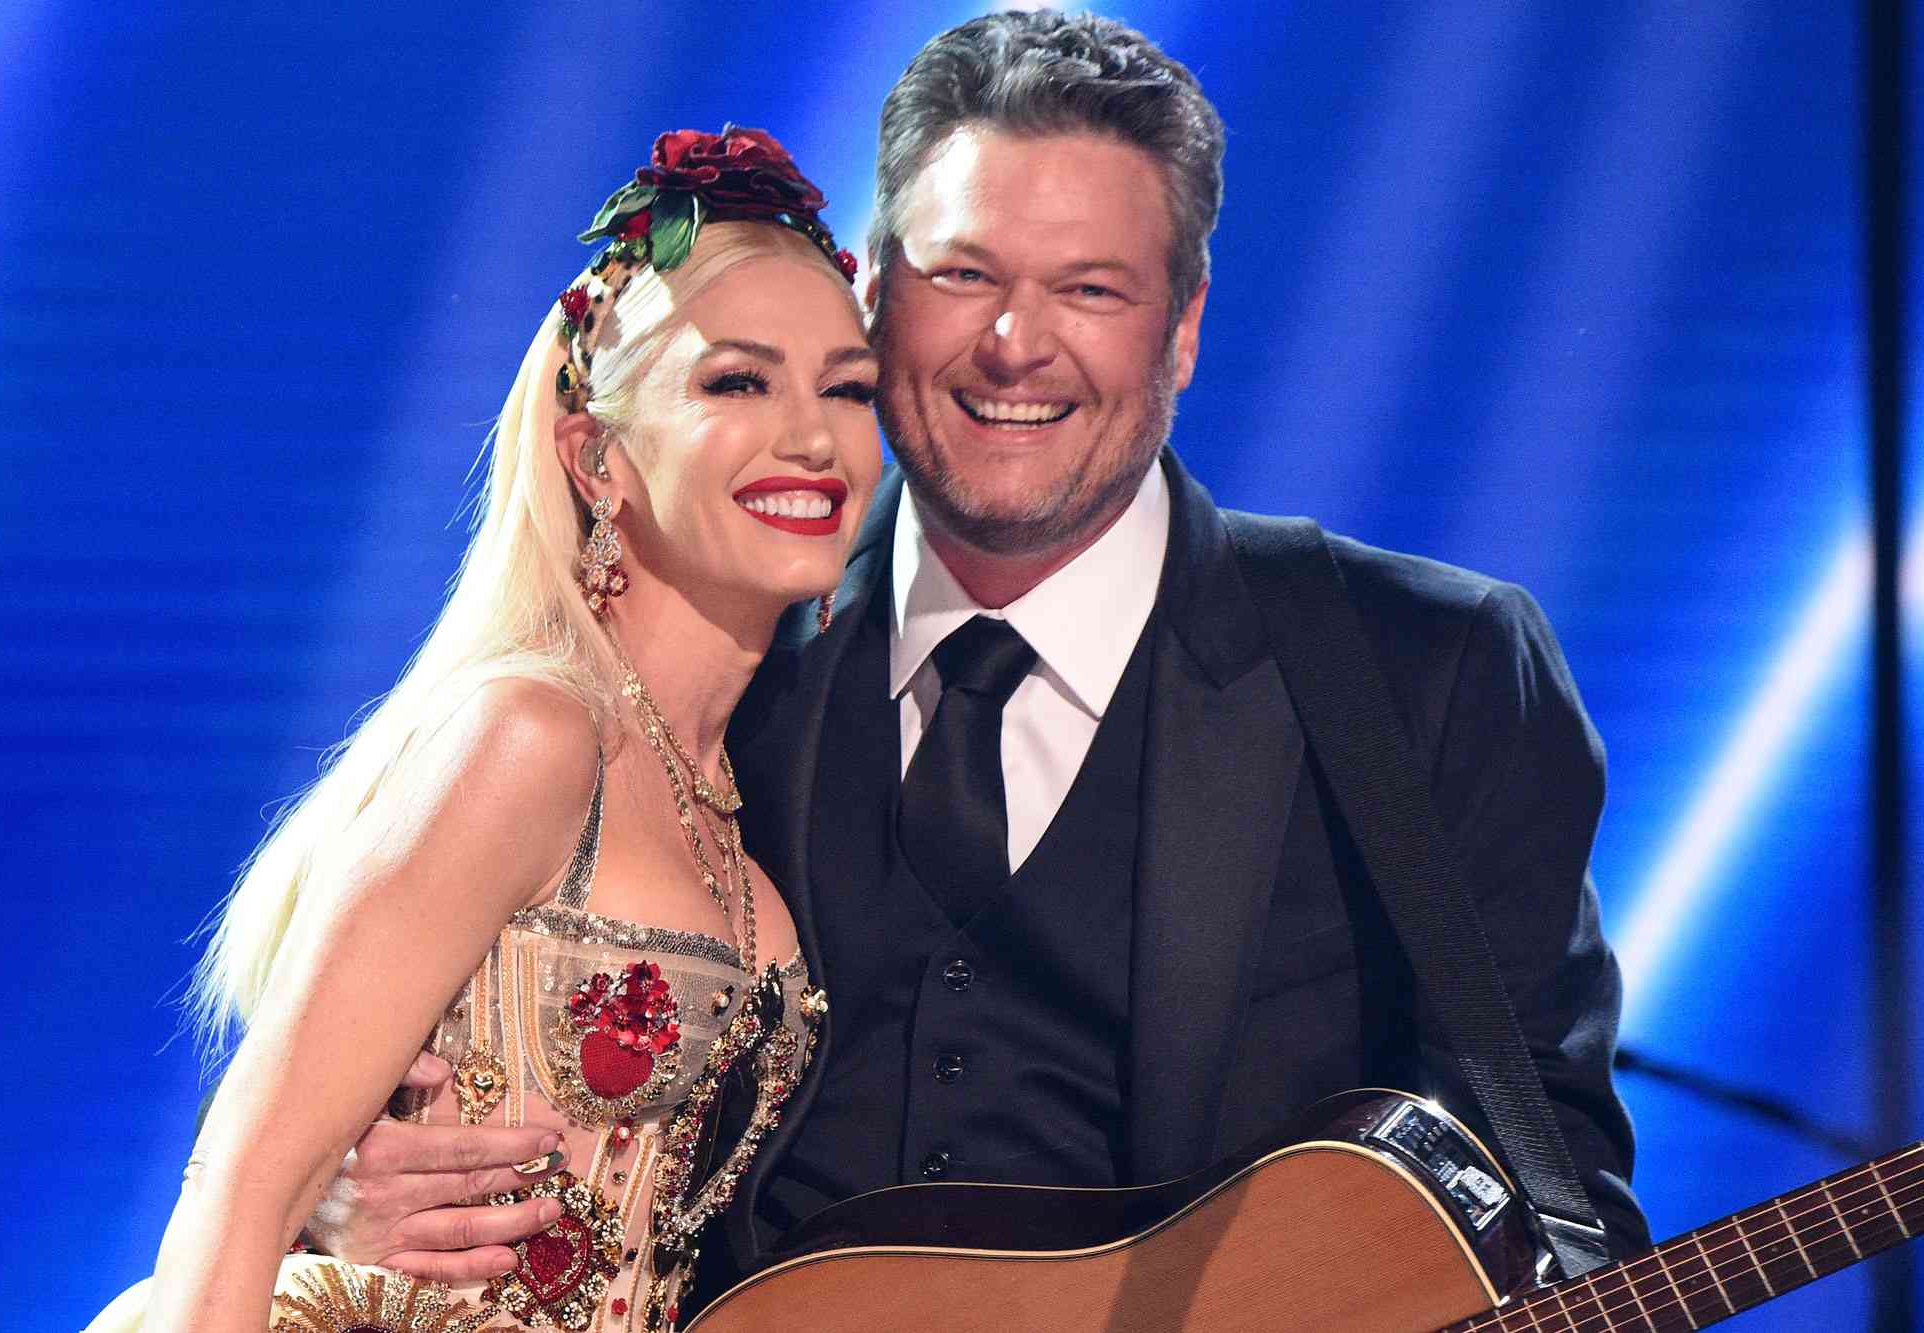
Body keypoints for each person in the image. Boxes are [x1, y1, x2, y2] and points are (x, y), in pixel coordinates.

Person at [300, 9, 1651, 1314]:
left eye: (1090, 289)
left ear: (1180, 328)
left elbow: (1555, 1200)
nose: (1015, 342)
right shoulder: (703, 661)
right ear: (875, 296)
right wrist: (354, 1198)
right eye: (966, 276)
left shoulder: (1425, 671)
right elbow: (396, 1087)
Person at [88, 127, 881, 1332]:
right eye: (737, 381)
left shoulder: (741, 788)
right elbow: (246, 1173)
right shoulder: (533, 732)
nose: (812, 438)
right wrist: (325, 1201)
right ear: (595, 455)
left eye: (846, 386)